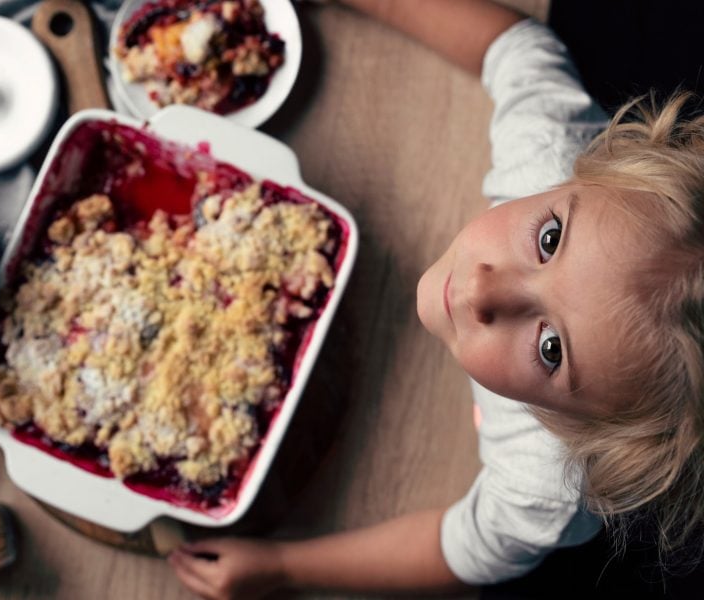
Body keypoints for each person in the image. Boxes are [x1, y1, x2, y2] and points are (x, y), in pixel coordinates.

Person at [168, 1, 704, 597]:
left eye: (551, 349)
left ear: (594, 438)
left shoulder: (544, 488)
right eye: (549, 239)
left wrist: (280, 570)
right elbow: (515, 49)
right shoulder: (550, 162)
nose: (480, 289)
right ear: (586, 173)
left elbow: (462, 550)